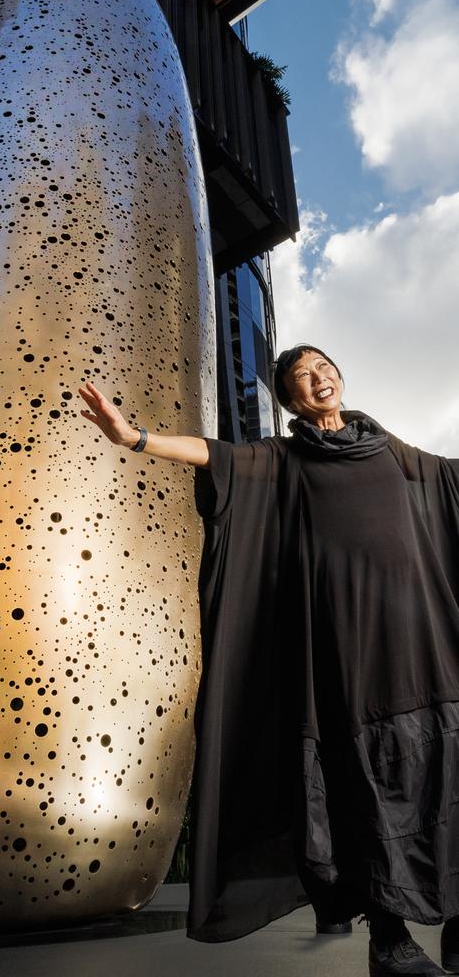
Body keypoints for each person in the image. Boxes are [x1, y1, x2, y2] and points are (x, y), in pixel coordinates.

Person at [78, 345, 459, 977]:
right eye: (302, 376)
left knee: (449, 776)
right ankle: (389, 942)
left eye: (324, 366)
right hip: (348, 652)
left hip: (423, 639)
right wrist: (134, 437)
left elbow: (449, 478)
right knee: (363, 789)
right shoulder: (284, 459)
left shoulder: (386, 446)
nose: (319, 377)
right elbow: (215, 454)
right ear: (289, 400)